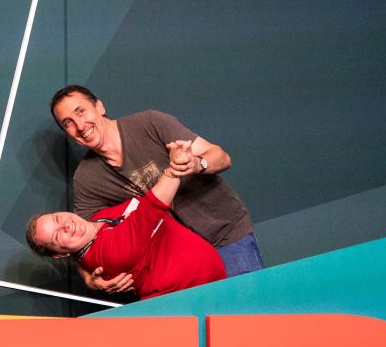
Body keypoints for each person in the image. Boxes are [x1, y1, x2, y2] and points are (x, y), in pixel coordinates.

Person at [50, 85, 263, 293]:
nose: (79, 125)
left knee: (247, 317)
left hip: (225, 235)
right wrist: (89, 279)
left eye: (81, 111)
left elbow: (221, 157)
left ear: (99, 106)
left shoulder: (149, 123)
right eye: (68, 122)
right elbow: (83, 240)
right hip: (180, 263)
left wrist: (197, 164)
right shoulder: (86, 179)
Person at [27, 140, 227, 299]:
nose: (65, 225)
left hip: (211, 283)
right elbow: (149, 210)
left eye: (57, 218)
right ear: (60, 255)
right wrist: (175, 167)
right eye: (56, 236)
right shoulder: (105, 257)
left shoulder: (98, 219)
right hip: (189, 299)